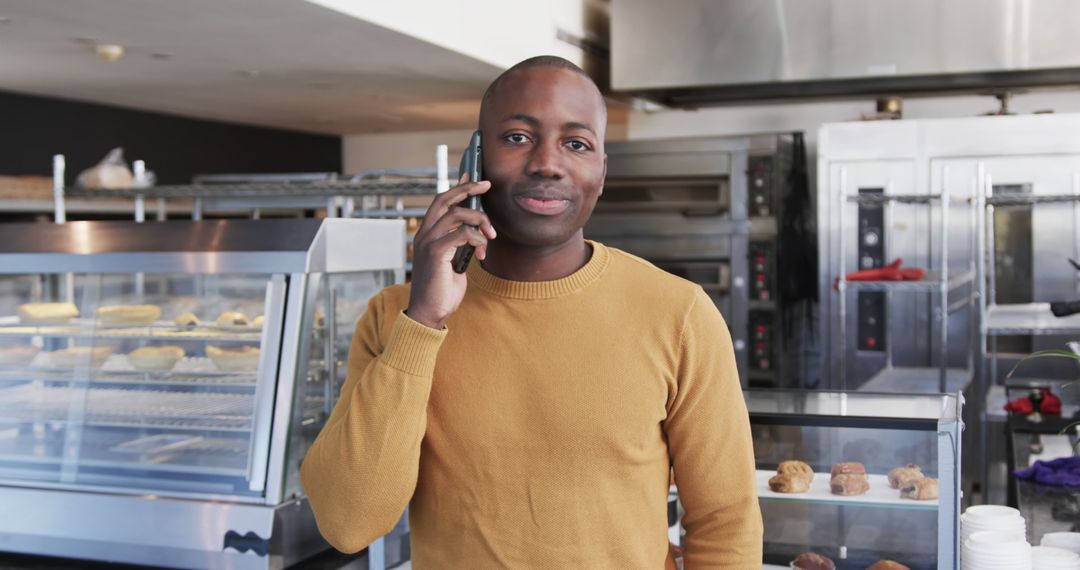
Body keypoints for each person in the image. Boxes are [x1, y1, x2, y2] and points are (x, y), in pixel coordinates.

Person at [301, 55, 762, 568]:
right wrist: (423, 323)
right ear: (473, 162)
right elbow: (348, 523)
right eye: (518, 137)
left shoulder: (680, 314)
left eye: (577, 143)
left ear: (601, 173)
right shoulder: (395, 318)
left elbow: (726, 523)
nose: (547, 162)